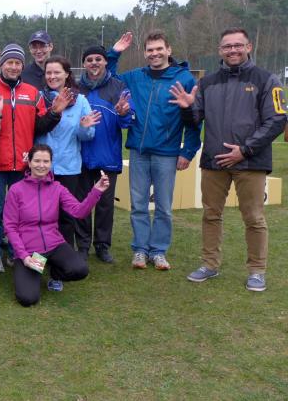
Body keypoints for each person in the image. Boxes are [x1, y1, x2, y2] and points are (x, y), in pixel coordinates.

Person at [170, 27, 287, 291]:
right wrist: (187, 108)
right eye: (227, 46)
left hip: (250, 162)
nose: (232, 50)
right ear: (220, 50)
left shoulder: (267, 79)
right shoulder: (208, 82)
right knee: (211, 215)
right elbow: (195, 120)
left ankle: (257, 271)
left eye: (237, 45)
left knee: (254, 218)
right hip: (214, 162)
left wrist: (244, 150)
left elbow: (277, 120)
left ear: (248, 47)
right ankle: (209, 265)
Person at [118, 30, 201, 270]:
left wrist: (188, 151)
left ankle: (159, 251)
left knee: (163, 206)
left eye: (159, 49)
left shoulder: (184, 79)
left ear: (169, 50)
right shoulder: (136, 76)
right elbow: (108, 78)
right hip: (139, 151)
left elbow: (194, 120)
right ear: (144, 53)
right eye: (150, 50)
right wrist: (115, 53)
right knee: (138, 204)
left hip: (167, 152)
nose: (154, 53)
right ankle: (140, 250)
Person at [0, 44, 66, 273]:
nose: (14, 67)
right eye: (9, 62)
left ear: (22, 65)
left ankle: (18, 252)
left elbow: (40, 126)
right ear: (2, 64)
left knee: (23, 214)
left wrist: (55, 113)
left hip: (23, 164)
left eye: (18, 63)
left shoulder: (32, 92)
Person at [4, 144, 110, 307]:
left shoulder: (57, 188)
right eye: (37, 161)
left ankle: (53, 271)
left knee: (80, 270)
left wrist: (96, 191)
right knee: (28, 298)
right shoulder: (16, 190)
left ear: (51, 163)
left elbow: (79, 212)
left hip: (54, 245)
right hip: (30, 251)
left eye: (46, 161)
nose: (41, 165)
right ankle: (38, 267)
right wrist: (24, 256)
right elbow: (10, 227)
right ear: (29, 163)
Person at [75, 44, 133, 263]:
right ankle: (82, 245)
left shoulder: (118, 86)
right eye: (89, 60)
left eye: (98, 59)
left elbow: (126, 122)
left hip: (107, 156)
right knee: (82, 202)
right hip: (80, 156)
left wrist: (124, 113)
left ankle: (102, 245)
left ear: (105, 61)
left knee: (105, 204)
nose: (94, 63)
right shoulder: (76, 88)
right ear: (84, 63)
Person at [35, 56, 100, 254]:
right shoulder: (38, 98)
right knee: (40, 214)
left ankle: (63, 257)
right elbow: (33, 129)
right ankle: (39, 257)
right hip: (41, 168)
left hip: (68, 168)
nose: (52, 76)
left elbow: (88, 136)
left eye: (57, 72)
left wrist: (84, 128)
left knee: (65, 216)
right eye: (48, 72)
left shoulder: (80, 101)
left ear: (67, 74)